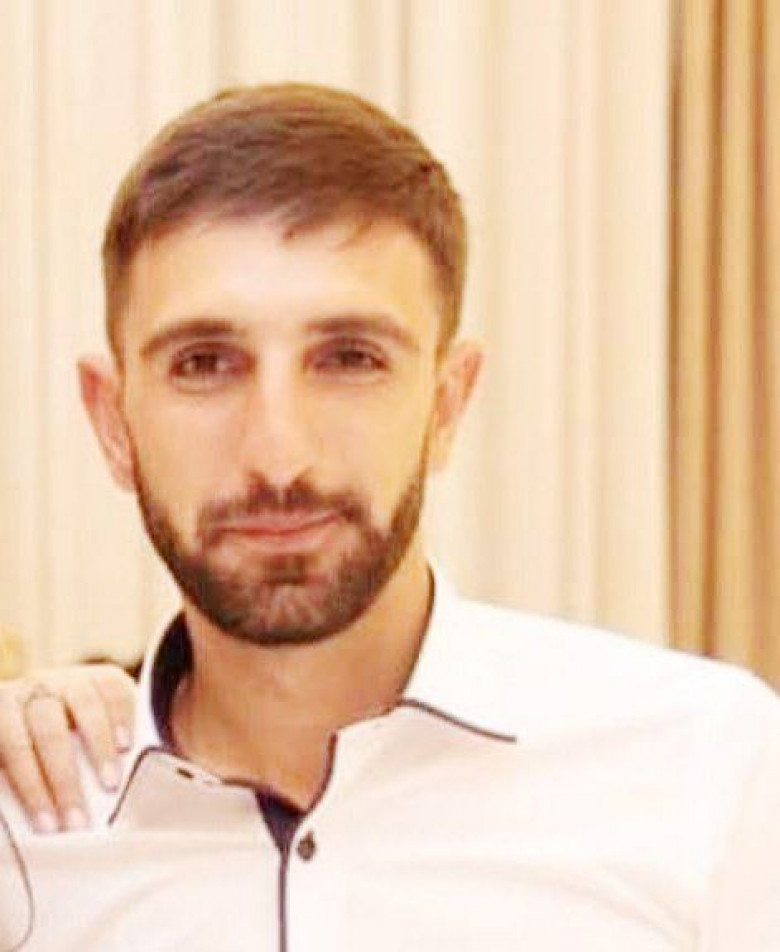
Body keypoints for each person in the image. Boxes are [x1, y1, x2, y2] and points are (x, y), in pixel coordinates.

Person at [1, 82, 779, 951]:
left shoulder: (708, 770)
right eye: (205, 363)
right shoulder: (21, 842)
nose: (279, 457)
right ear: (113, 423)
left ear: (447, 403)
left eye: (349, 359)